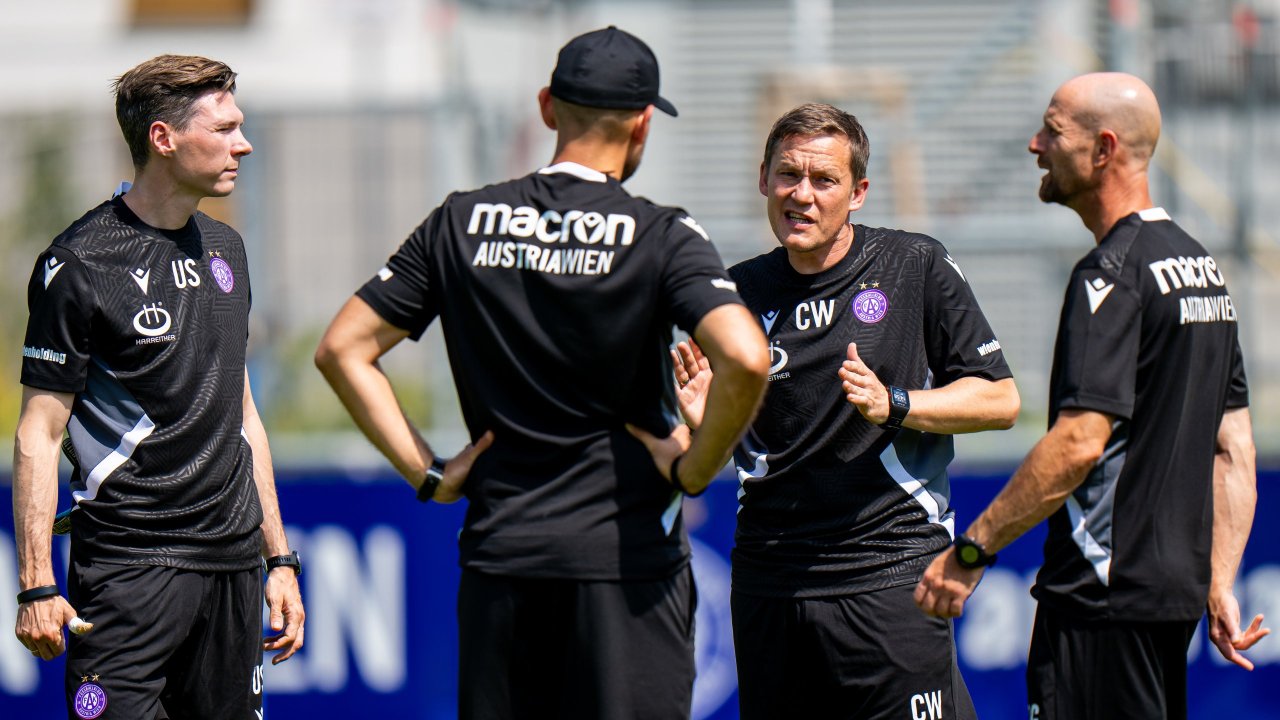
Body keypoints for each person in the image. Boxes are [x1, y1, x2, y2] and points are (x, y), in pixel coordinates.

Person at [314, 26, 768, 720]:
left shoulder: (460, 221)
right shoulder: (660, 234)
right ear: (643, 123)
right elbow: (746, 356)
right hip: (625, 560)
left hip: (503, 557)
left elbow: (342, 348)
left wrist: (428, 473)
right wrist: (696, 466)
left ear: (548, 107)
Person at [914, 72, 1269, 719]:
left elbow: (1078, 442)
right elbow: (1235, 448)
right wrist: (1219, 580)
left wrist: (973, 549)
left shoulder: (1111, 275)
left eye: (1052, 131)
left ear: (1103, 149)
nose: (1035, 145)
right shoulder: (1202, 270)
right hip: (1171, 597)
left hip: (1102, 596)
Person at [665, 102, 1020, 719]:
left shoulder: (914, 266)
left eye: (823, 180)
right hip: (771, 584)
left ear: (857, 193)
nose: (801, 194)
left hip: (889, 573)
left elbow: (1000, 399)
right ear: (763, 180)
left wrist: (895, 404)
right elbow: (707, 462)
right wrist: (705, 425)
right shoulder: (734, 295)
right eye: (787, 175)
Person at [12, 55, 304, 719]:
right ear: (163, 139)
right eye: (224, 128)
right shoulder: (80, 262)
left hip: (232, 570)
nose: (243, 144)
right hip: (128, 573)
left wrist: (279, 559)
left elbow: (243, 415)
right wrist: (35, 583)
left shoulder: (227, 248)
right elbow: (39, 432)